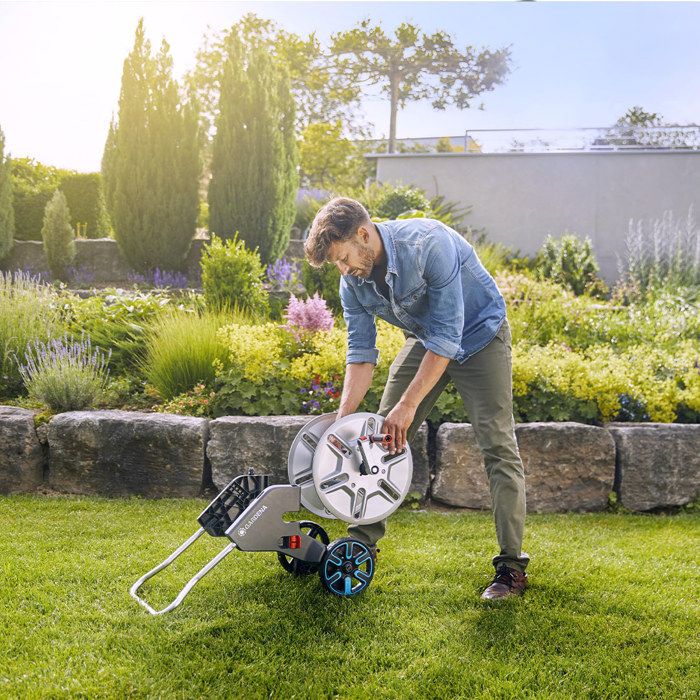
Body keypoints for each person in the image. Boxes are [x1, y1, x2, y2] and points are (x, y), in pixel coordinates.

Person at [304, 197, 529, 600]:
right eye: (336, 264)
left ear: (363, 233)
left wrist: (407, 408)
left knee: (498, 446)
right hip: (429, 341)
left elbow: (448, 336)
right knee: (378, 435)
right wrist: (343, 418)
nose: (344, 270)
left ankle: (511, 567)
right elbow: (360, 351)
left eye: (344, 258)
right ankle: (359, 546)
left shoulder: (428, 244)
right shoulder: (352, 280)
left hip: (480, 337)